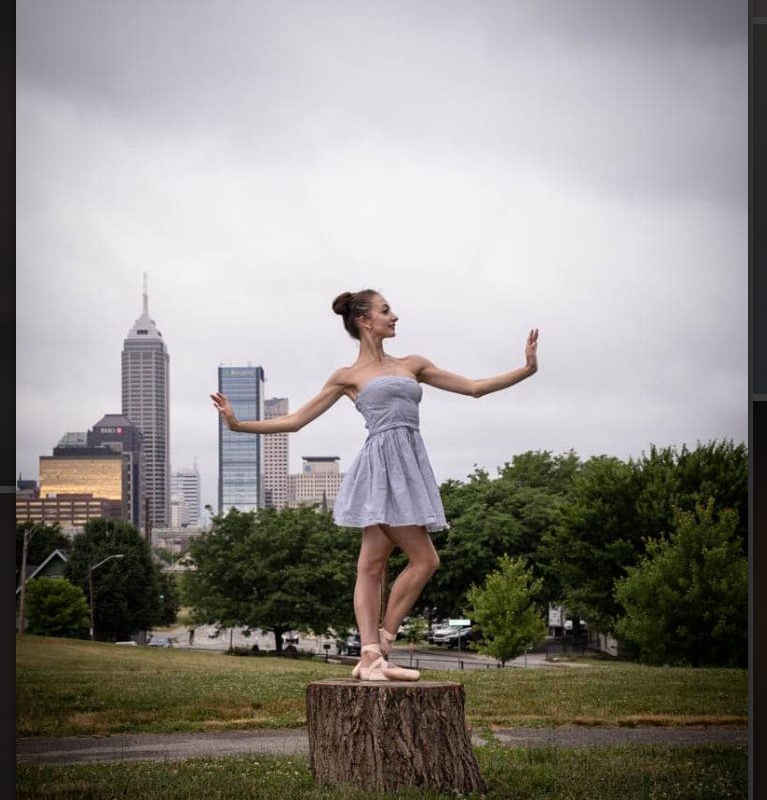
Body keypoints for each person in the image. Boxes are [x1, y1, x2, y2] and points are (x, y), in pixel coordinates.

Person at [211, 289, 539, 683]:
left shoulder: (413, 363)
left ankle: (373, 657)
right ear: (365, 321)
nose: (395, 316)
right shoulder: (347, 377)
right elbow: (296, 420)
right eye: (386, 311)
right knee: (423, 560)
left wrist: (526, 369)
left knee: (372, 565)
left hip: (409, 468)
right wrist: (237, 424)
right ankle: (379, 647)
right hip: (378, 469)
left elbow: (473, 387)